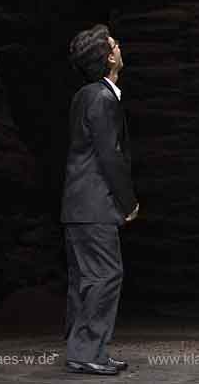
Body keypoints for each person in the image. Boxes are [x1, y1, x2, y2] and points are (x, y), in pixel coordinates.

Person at [61, 25, 138, 375]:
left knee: (87, 278)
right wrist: (128, 202)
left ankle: (85, 350)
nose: (119, 47)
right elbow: (110, 156)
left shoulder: (85, 95)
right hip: (94, 202)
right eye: (115, 44)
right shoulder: (102, 98)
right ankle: (88, 350)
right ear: (109, 57)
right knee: (105, 275)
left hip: (78, 203)